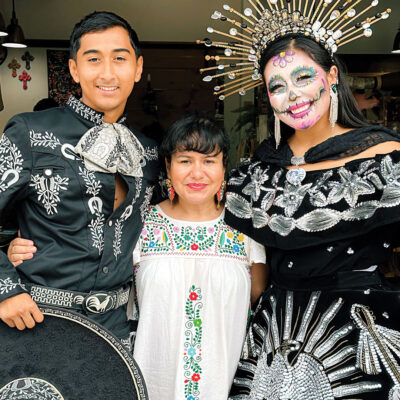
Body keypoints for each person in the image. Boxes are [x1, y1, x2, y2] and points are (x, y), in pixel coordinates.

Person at [222, 33, 400, 400]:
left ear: (332, 76)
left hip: (360, 335)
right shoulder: (258, 172)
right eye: (277, 86)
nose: (293, 94)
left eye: (304, 78)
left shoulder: (383, 158)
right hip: (274, 340)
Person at [0, 11, 159, 347]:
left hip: (117, 331)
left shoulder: (149, 154)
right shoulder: (30, 132)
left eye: (119, 58)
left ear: (138, 68)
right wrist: (5, 289)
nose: (107, 72)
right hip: (36, 320)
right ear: (74, 69)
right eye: (93, 59)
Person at [131, 115, 267, 399]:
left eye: (208, 161)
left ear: (223, 167)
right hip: (151, 386)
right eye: (185, 161)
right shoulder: (140, 227)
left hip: (228, 387)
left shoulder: (246, 228)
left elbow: (261, 307)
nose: (197, 173)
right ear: (167, 166)